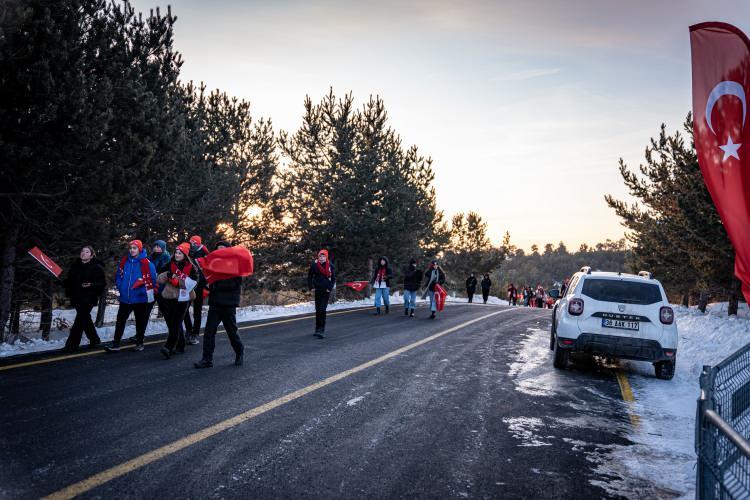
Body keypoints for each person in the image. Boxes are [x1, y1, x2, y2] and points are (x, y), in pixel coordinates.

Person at [194, 241, 245, 368]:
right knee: (209, 332)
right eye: (218, 249)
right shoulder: (214, 264)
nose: (220, 250)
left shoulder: (234, 263)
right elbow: (207, 278)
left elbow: (235, 283)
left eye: (223, 248)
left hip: (228, 304)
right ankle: (207, 359)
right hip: (215, 303)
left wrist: (215, 285)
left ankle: (239, 352)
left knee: (231, 332)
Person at [105, 240, 157, 352]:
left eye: (134, 248)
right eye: (130, 248)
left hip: (140, 299)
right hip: (125, 298)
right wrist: (121, 287)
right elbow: (119, 276)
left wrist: (141, 290)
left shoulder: (147, 263)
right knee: (120, 320)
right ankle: (116, 344)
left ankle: (139, 343)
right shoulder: (124, 261)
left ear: (139, 249)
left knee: (140, 321)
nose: (132, 250)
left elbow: (152, 281)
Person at [62, 246, 105, 352]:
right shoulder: (75, 266)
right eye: (82, 251)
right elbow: (70, 281)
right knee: (85, 319)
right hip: (77, 297)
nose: (83, 253)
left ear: (91, 255)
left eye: (87, 252)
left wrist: (91, 285)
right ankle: (95, 339)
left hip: (89, 298)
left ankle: (72, 345)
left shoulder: (97, 267)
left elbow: (102, 283)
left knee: (79, 320)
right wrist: (61, 282)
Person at [159, 243, 196, 359]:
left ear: (185, 255)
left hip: (183, 298)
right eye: (176, 253)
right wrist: (167, 275)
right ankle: (180, 345)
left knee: (175, 322)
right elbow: (159, 277)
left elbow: (195, 282)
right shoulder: (170, 264)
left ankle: (168, 347)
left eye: (180, 253)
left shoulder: (191, 267)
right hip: (170, 297)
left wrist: (178, 282)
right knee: (173, 323)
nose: (177, 255)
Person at [307, 249, 336, 338]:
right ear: (318, 257)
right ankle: (317, 328)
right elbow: (310, 276)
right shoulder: (314, 265)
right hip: (318, 290)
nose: (322, 258)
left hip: (326, 290)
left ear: (326, 257)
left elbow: (333, 279)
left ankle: (322, 329)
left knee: (322, 310)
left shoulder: (330, 266)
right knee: (318, 310)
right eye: (320, 256)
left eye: (323, 256)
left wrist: (329, 288)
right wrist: (311, 287)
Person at [187, 235, 209, 345]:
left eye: (195, 243)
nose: (192, 245)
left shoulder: (204, 251)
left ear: (199, 243)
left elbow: (207, 266)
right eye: (191, 242)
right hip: (188, 284)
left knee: (197, 310)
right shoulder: (188, 251)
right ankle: (188, 330)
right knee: (184, 309)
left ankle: (195, 333)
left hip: (199, 285)